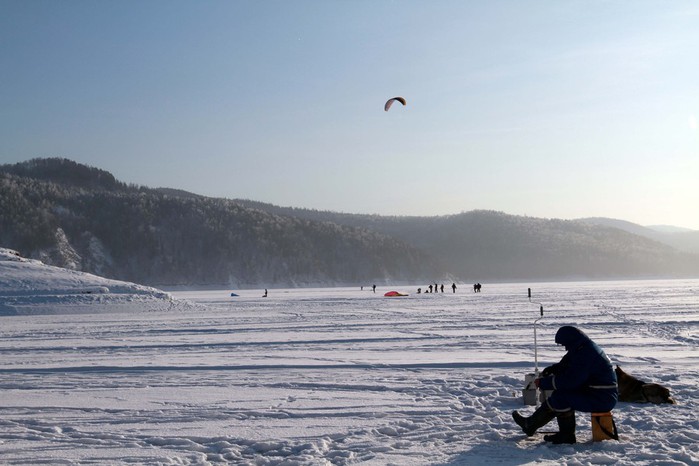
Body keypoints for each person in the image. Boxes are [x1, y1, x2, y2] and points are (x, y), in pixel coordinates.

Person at [512, 326, 618, 444]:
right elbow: (568, 365)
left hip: (601, 398)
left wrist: (544, 383)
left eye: (565, 344)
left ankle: (534, 426)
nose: (565, 348)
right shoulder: (583, 348)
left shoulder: (586, 353)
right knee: (560, 395)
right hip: (598, 393)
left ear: (571, 341)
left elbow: (570, 381)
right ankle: (560, 433)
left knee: (561, 398)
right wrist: (553, 369)